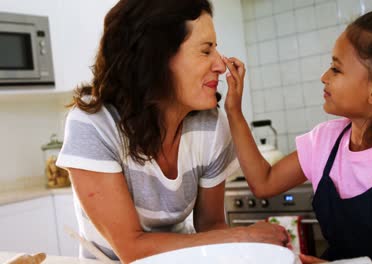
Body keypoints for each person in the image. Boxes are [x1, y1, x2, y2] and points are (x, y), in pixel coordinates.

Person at [223, 6, 372, 264]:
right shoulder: (325, 142)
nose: (324, 77)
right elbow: (264, 181)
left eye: (336, 69)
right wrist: (234, 111)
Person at [56, 0, 290, 263]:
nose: (221, 65)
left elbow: (211, 227)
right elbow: (133, 249)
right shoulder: (94, 124)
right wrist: (243, 237)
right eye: (205, 51)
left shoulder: (210, 125)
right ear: (156, 58)